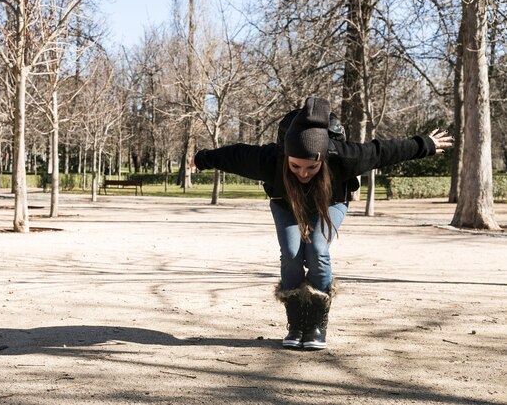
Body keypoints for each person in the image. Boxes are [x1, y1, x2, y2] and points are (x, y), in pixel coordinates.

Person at [193, 96, 453, 350]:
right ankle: (296, 323)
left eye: (311, 167)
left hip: (330, 203)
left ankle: (316, 323)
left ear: (323, 159)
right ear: (286, 157)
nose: (303, 174)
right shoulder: (270, 159)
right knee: (292, 254)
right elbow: (234, 155)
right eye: (295, 167)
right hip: (286, 204)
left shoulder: (343, 157)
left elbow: (382, 151)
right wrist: (201, 159)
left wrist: (425, 144)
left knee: (318, 249)